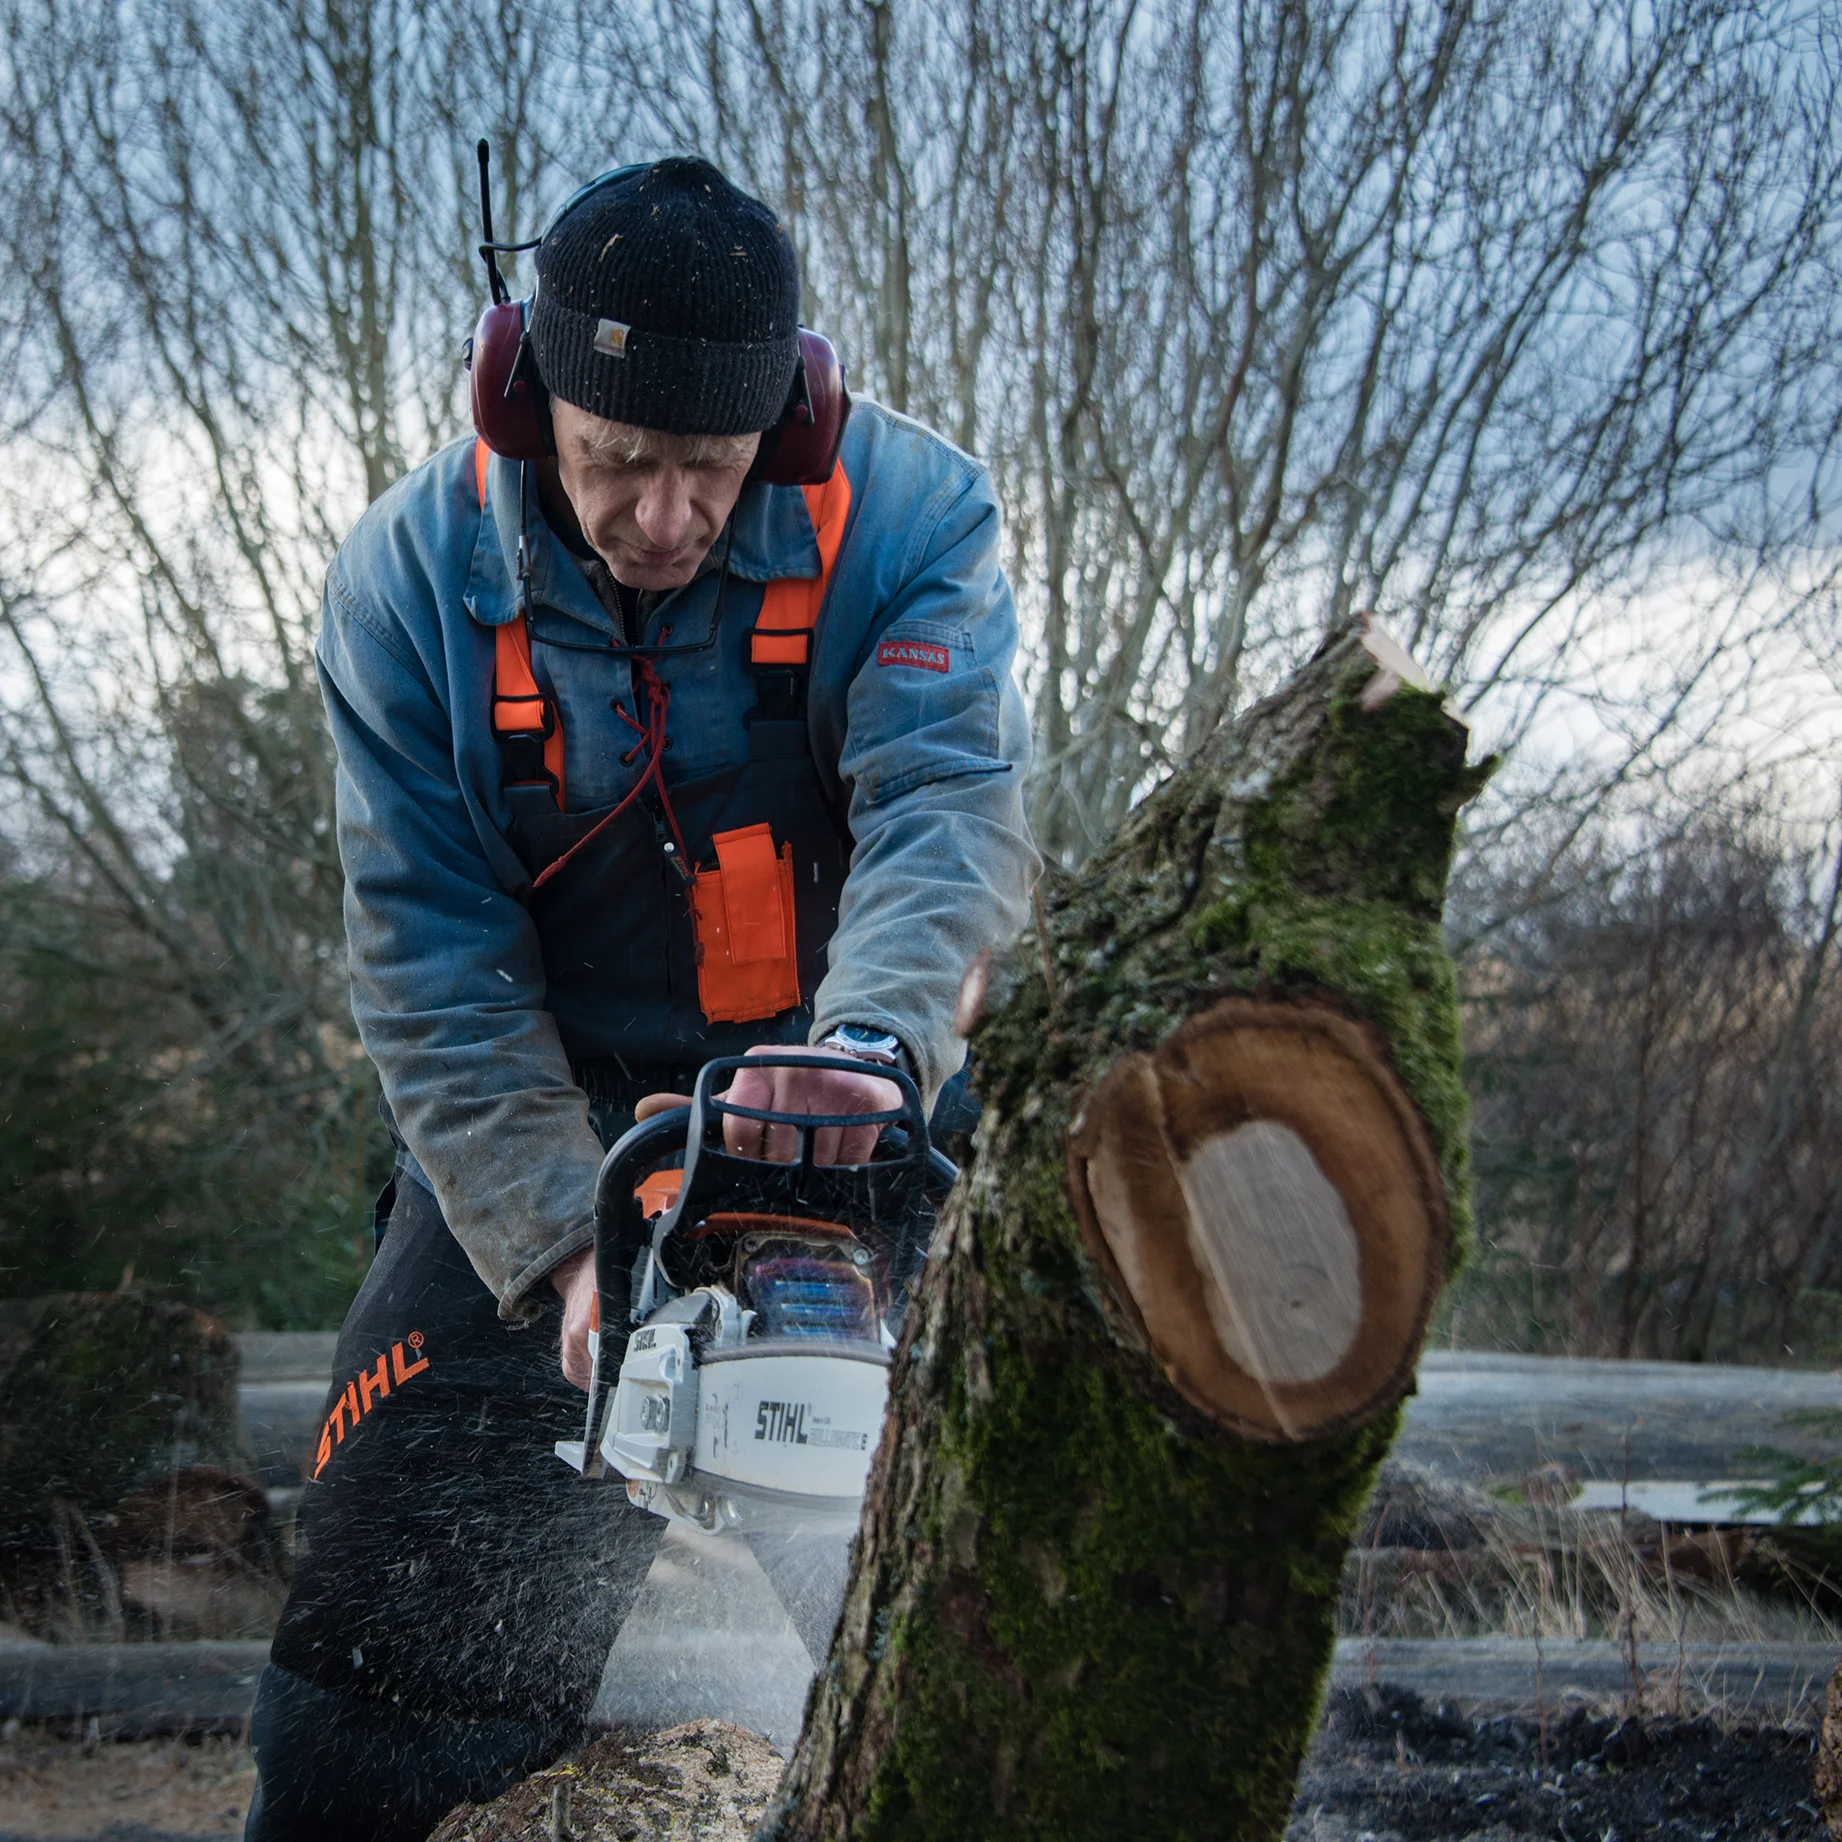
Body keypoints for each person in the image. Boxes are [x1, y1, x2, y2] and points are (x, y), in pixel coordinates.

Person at [242, 155, 1037, 1841]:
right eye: (619, 462)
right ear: (524, 401)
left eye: (708, 467)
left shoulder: (914, 524)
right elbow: (432, 965)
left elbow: (945, 822)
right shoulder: (407, 580)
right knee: (391, 1634)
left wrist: (869, 1068)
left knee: (983, 1579)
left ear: (793, 422)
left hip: (846, 1104)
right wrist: (567, 1242)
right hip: (541, 1117)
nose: (665, 516)